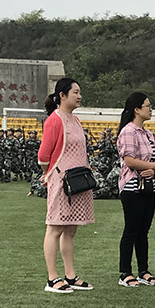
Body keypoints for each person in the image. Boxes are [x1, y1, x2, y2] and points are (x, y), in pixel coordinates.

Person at [38, 77, 94, 293]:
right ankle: (52, 278)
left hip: (78, 181)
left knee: (70, 230)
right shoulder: (54, 120)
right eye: (75, 92)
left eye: (80, 92)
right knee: (55, 227)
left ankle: (70, 276)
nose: (79, 96)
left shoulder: (75, 120)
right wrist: (50, 175)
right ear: (62, 95)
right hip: (61, 181)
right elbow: (43, 156)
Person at [115, 90, 155, 287]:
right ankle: (125, 272)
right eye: (147, 106)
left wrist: (154, 170)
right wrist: (151, 167)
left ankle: (143, 270)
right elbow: (129, 160)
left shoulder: (148, 134)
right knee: (131, 229)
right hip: (132, 187)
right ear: (136, 110)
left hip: (148, 187)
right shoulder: (128, 132)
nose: (151, 110)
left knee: (143, 231)